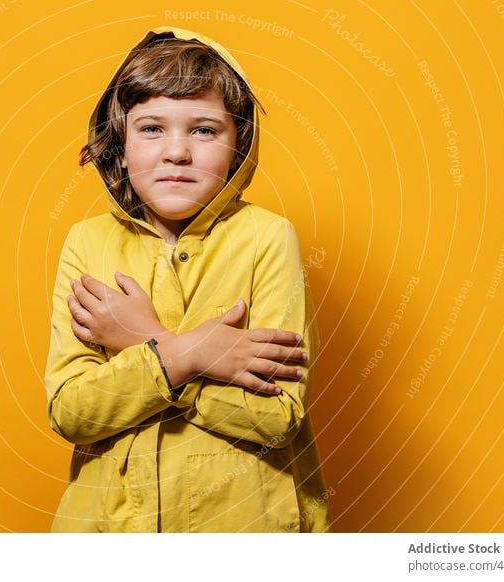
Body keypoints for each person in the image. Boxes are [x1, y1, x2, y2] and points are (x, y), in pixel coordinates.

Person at [44, 26, 329, 532]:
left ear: (239, 147)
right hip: (113, 530)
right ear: (121, 147)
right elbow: (72, 411)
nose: (177, 152)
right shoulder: (86, 242)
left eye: (203, 130)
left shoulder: (267, 238)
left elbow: (277, 417)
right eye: (152, 129)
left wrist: (152, 345)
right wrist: (191, 355)